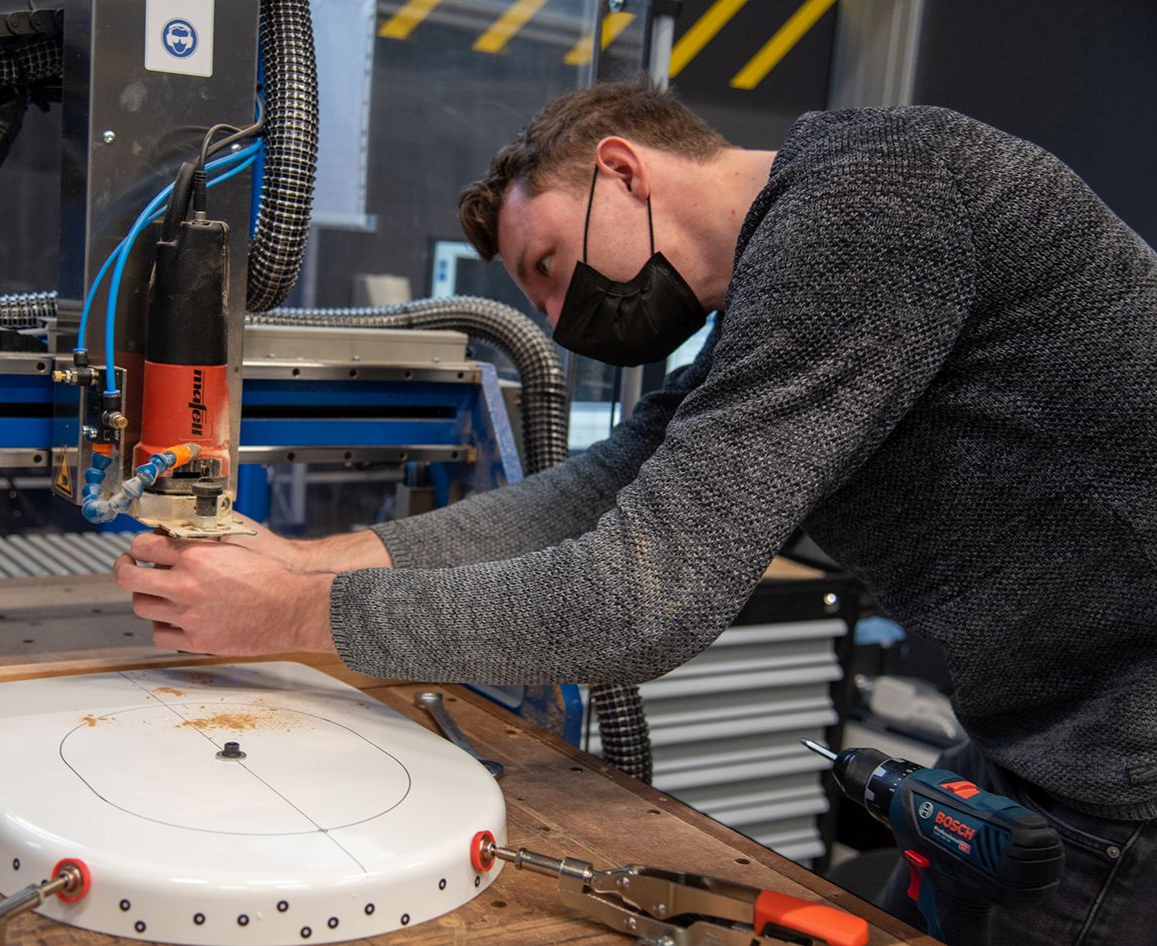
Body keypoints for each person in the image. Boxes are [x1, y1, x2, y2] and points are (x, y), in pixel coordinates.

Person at [115, 79, 1157, 944]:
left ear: (620, 167)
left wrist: (297, 622)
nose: (563, 319)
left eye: (551, 268)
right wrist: (300, 563)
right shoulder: (773, 296)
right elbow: (590, 494)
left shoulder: (872, 201)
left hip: (1126, 772)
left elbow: (643, 598)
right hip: (1033, 742)